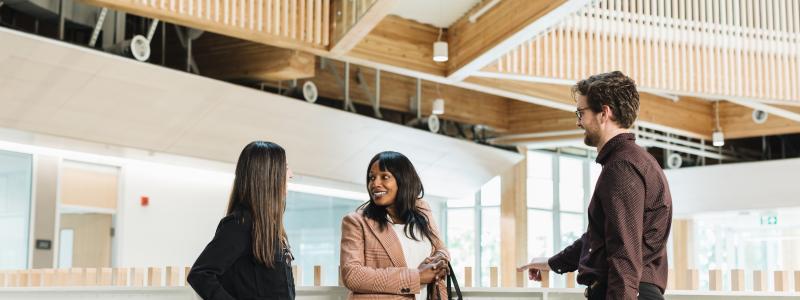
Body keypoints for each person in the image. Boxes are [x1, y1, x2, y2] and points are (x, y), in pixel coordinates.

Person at [518, 71, 672, 300]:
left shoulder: (622, 167)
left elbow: (624, 253)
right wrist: (553, 263)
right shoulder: (633, 161)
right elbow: (599, 241)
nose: (578, 121)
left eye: (581, 112)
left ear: (604, 113)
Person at [188, 141, 296, 300]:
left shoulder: (268, 226)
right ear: (268, 174)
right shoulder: (240, 225)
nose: (291, 174)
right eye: (285, 167)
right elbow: (200, 274)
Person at [340, 151, 450, 300]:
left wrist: (438, 261)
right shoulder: (356, 222)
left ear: (403, 180)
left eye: (385, 177)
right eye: (372, 178)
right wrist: (416, 277)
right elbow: (352, 275)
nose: (375, 184)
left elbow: (440, 248)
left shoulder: (422, 210)